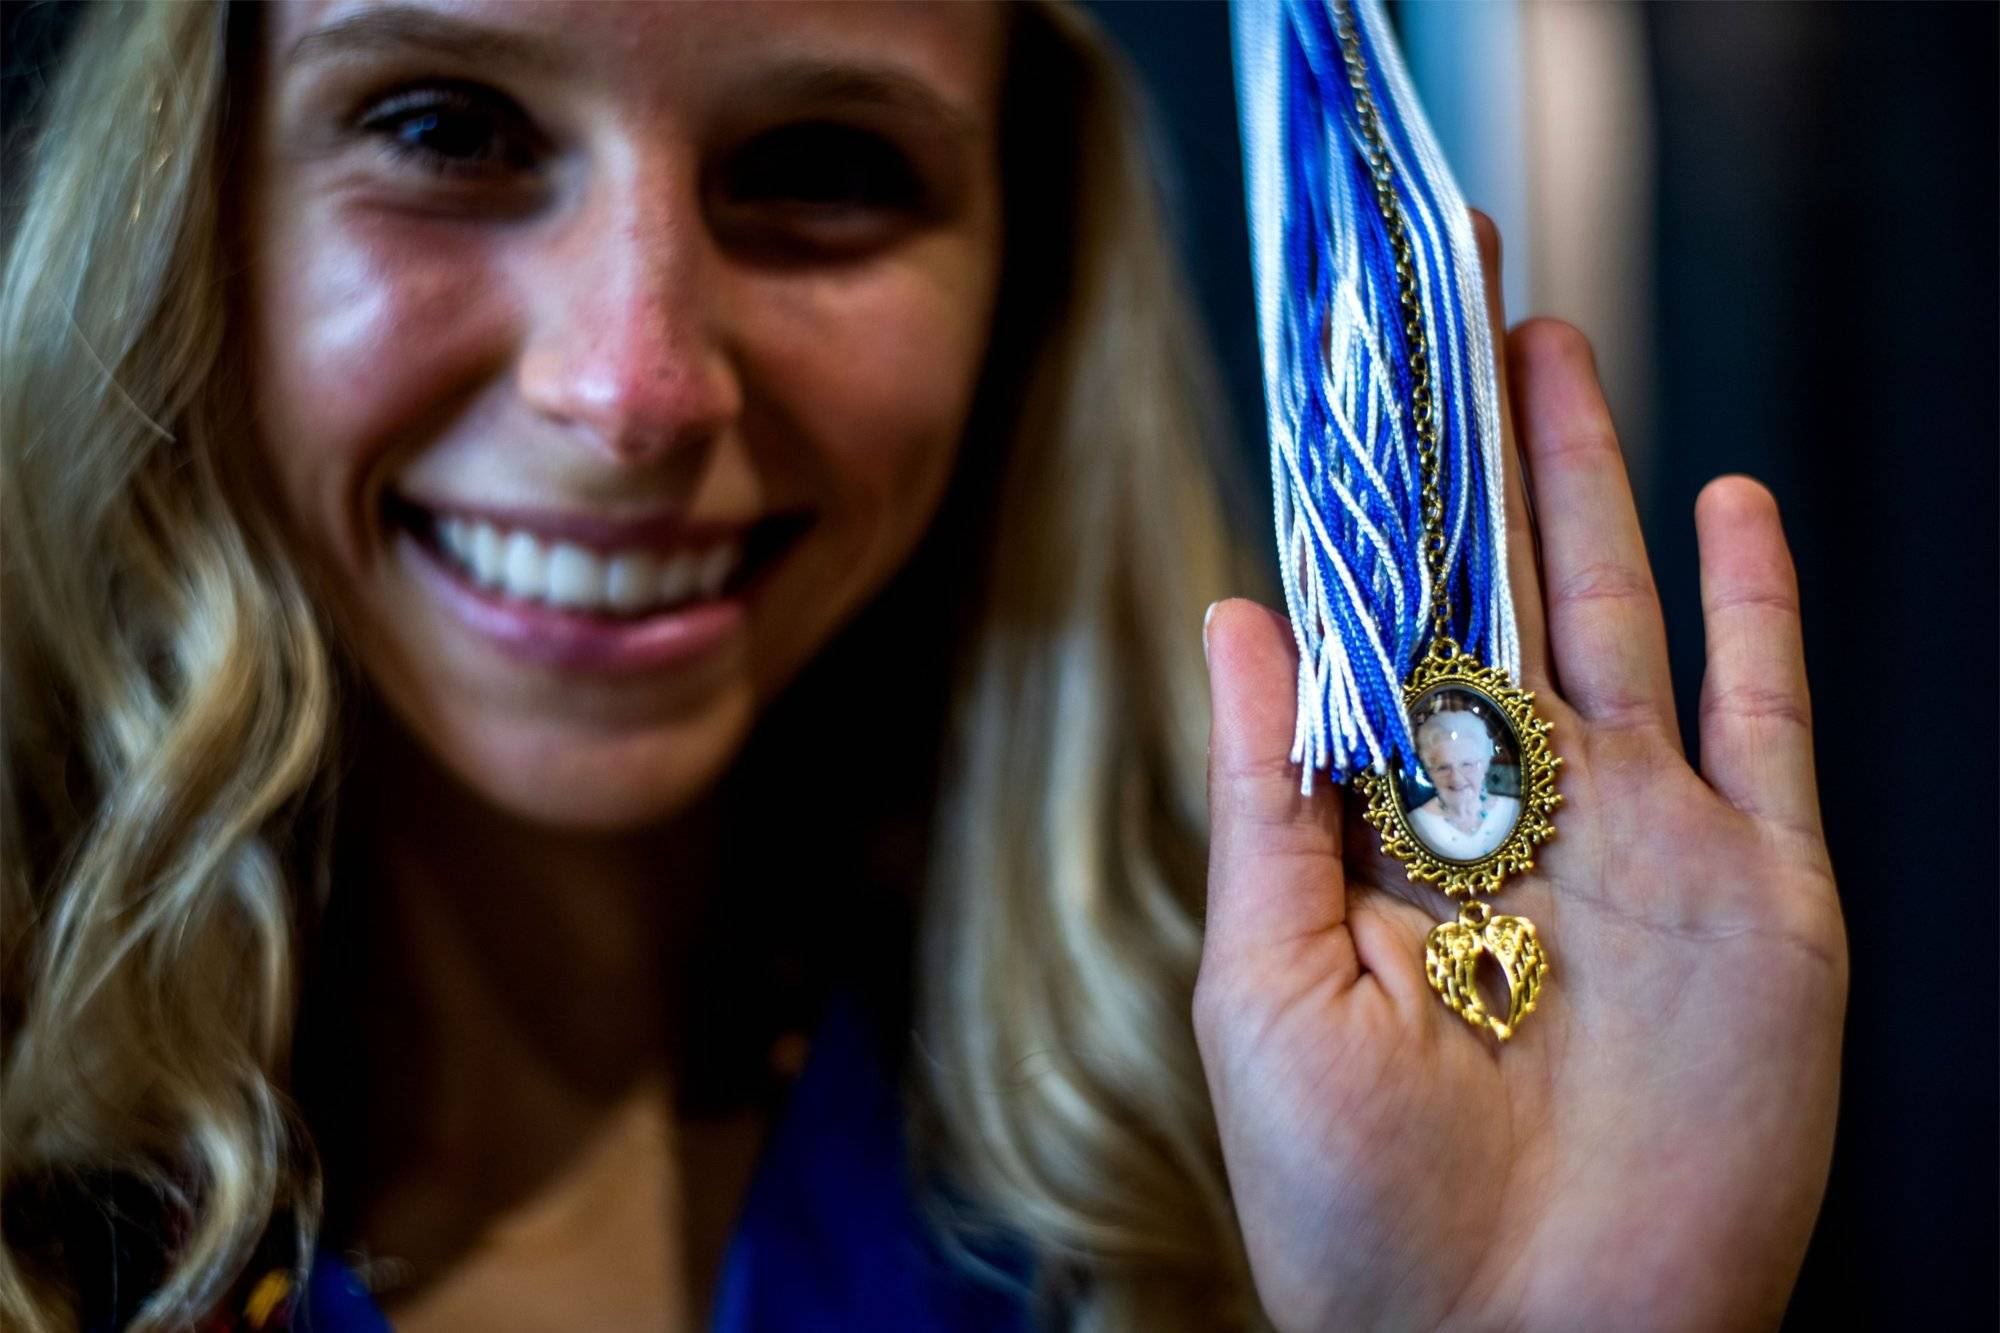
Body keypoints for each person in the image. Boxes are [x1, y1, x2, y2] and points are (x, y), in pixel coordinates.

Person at [0, 2, 1848, 1330]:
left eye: (821, 164)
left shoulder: (1266, 1150)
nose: (631, 386)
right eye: (444, 126)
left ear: (1023, 270)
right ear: (188, 188)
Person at [1405, 706, 1520, 861]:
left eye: (1467, 765)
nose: (1456, 778)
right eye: (1443, 768)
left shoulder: (1511, 810)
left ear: (1484, 764)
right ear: (1429, 772)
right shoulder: (1417, 823)